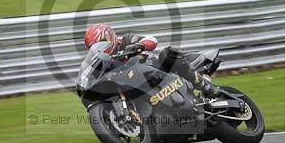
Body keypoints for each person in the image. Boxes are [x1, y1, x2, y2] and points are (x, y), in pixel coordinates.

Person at [83, 22, 220, 98]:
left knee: (168, 53)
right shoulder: (104, 61)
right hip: (138, 84)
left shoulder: (125, 40)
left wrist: (139, 46)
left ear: (108, 36)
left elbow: (152, 40)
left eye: (99, 43)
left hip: (157, 69)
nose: (98, 48)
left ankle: (206, 87)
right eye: (93, 47)